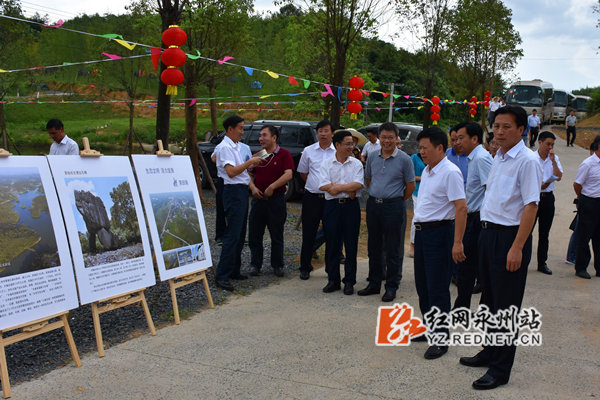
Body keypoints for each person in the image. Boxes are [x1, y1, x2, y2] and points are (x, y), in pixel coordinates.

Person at [460, 105, 542, 390]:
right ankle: (489, 351)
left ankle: (500, 369)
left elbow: (531, 206)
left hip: (509, 238)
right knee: (490, 302)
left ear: (522, 129)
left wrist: (517, 247)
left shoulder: (527, 161)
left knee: (506, 307)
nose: (500, 131)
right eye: (496, 126)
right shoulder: (498, 156)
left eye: (507, 126)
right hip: (487, 236)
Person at [412, 127, 467, 360]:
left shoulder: (450, 172)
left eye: (425, 148)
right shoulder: (428, 170)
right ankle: (429, 327)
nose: (421, 152)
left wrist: (457, 242)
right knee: (423, 285)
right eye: (420, 148)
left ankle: (441, 338)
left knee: (437, 287)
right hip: (423, 234)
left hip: (440, 234)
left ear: (440, 148)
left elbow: (461, 207)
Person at [358, 123, 415, 302]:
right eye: (383, 137)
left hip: (394, 207)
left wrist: (396, 199)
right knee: (374, 247)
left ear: (397, 138)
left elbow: (410, 186)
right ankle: (374, 283)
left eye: (391, 137)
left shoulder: (405, 159)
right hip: (374, 205)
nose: (387, 141)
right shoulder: (373, 156)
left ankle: (391, 286)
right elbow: (368, 180)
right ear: (379, 138)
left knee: (393, 248)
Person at [214, 115, 263, 291]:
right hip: (232, 190)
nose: (242, 132)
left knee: (240, 233)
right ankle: (222, 275)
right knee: (232, 234)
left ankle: (233, 269)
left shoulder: (235, 146)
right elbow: (231, 172)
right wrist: (249, 162)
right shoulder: (225, 147)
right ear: (230, 129)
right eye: (240, 128)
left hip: (241, 190)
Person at [453, 122, 493, 310]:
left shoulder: (481, 158)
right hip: (471, 217)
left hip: (478, 219)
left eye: (461, 138)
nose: (457, 142)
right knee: (466, 266)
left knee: (477, 267)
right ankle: (462, 306)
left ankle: (483, 308)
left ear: (474, 139)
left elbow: (490, 190)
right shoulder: (472, 158)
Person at [319, 130, 364, 295]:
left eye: (352, 143)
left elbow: (358, 184)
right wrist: (347, 188)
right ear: (337, 145)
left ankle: (349, 282)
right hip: (332, 208)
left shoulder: (357, 164)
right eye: (348, 143)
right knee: (332, 244)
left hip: (351, 207)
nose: (351, 147)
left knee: (351, 245)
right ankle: (333, 280)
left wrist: (336, 187)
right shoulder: (326, 163)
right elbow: (323, 185)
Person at [247, 125, 294, 277]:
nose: (261, 138)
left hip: (276, 200)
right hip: (258, 200)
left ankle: (277, 265)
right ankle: (255, 265)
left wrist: (272, 187)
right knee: (255, 234)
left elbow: (288, 175)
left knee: (276, 234)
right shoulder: (258, 154)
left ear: (274, 138)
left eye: (264, 135)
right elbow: (249, 174)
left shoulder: (284, 154)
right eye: (260, 135)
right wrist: (253, 188)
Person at [297, 120, 336, 280]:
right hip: (312, 197)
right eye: (320, 131)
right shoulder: (308, 151)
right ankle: (305, 267)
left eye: (326, 131)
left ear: (332, 133)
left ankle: (330, 269)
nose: (323, 134)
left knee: (331, 233)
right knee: (309, 233)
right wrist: (315, 185)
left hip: (331, 198)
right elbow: (303, 173)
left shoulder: (337, 151)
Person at [534, 131, 563, 275]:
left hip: (548, 198)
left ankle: (542, 263)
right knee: (526, 232)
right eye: (548, 144)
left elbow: (558, 176)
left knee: (544, 233)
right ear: (540, 142)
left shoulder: (554, 158)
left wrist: (553, 161)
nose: (550, 147)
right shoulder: (531, 158)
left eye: (552, 145)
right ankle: (523, 260)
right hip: (533, 198)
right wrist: (540, 186)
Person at [212, 140, 252, 244]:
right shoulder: (223, 146)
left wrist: (248, 165)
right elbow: (214, 158)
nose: (241, 132)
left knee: (241, 213)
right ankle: (221, 235)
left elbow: (249, 162)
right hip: (225, 181)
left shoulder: (245, 147)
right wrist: (226, 159)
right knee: (222, 208)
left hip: (241, 182)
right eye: (240, 128)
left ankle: (239, 237)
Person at [572, 134, 600, 279]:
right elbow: (577, 184)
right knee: (584, 236)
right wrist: (582, 198)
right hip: (589, 202)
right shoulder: (588, 163)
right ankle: (581, 267)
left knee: (598, 237)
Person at [409, 151, 426, 258]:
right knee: (416, 217)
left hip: (429, 192)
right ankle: (412, 244)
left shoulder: (433, 157)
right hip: (417, 192)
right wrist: (422, 178)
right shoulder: (414, 157)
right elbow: (410, 175)